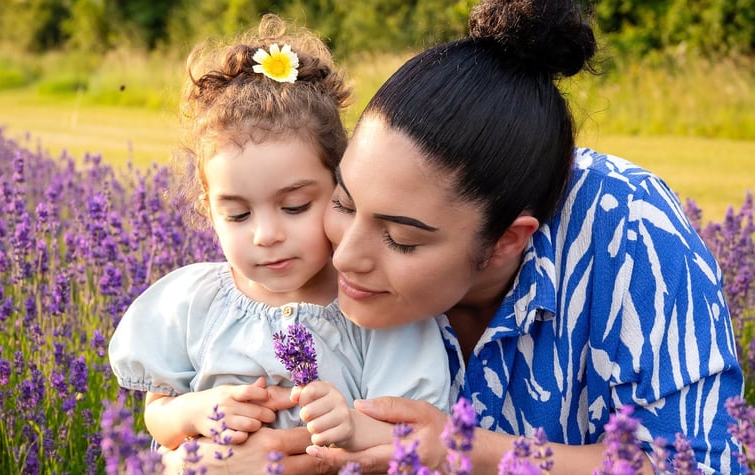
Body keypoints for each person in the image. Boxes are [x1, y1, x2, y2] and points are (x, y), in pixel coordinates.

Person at [192, 0, 743, 473]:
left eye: (401, 239)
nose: (348, 255)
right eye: (343, 201)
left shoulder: (632, 235)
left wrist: (464, 451)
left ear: (507, 241)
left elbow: (695, 462)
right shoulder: (293, 245)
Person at [107, 13, 451, 458]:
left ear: (341, 191)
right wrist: (195, 411)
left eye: (294, 207)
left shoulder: (376, 310)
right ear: (207, 209)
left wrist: (351, 425)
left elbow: (414, 433)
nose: (266, 235)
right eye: (237, 214)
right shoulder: (193, 303)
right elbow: (158, 415)